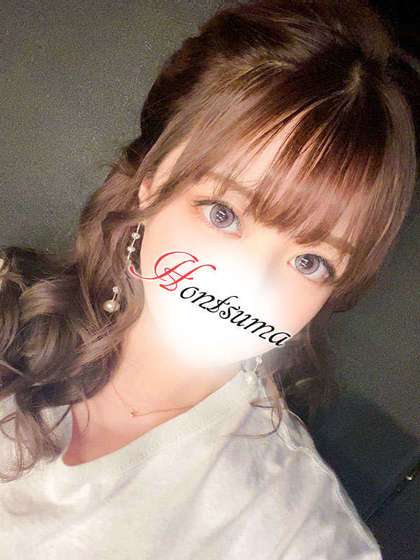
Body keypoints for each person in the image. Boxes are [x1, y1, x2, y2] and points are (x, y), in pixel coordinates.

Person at [0, 0, 418, 558]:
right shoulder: (12, 309)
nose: (250, 286)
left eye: (310, 261)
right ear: (152, 180)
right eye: (224, 213)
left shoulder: (295, 529)